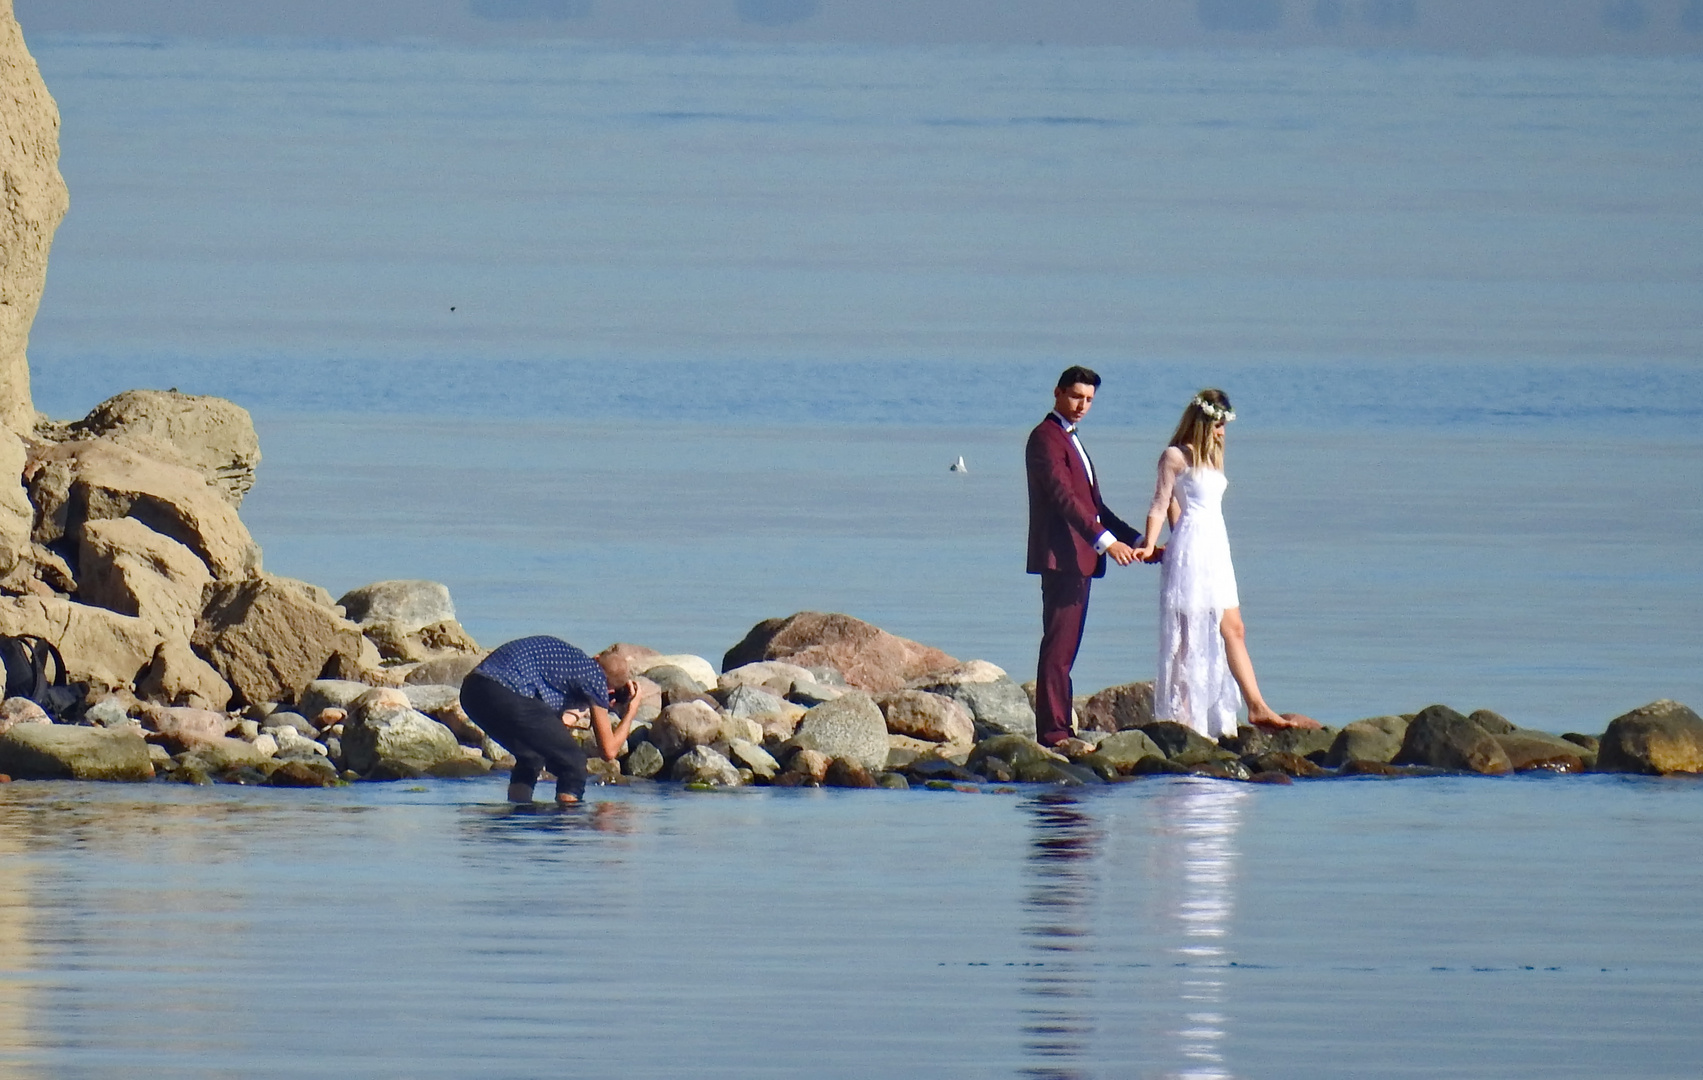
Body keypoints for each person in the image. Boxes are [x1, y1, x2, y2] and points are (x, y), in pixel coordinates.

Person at [1133, 389, 1304, 737]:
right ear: (1202, 422)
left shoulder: (1214, 456)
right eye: (1218, 425)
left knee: (1234, 627)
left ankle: (1256, 706)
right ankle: (1183, 713)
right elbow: (1161, 502)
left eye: (1224, 426)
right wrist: (1151, 544)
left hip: (1216, 545)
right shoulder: (1175, 456)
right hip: (1192, 547)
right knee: (1188, 630)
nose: (1222, 432)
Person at [1026, 366, 1146, 747]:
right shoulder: (1046, 438)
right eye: (1076, 396)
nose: (1082, 405)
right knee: (1058, 647)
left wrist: (1138, 539)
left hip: (1080, 558)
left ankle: (1061, 726)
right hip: (1062, 556)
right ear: (1057, 392)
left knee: (1067, 646)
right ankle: (1054, 732)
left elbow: (1095, 507)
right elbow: (1065, 500)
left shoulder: (1071, 439)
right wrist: (1105, 542)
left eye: (1090, 400)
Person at [459, 635, 641, 805]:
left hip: (472, 691)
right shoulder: (596, 678)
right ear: (609, 690)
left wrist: (580, 709)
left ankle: (518, 817)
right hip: (505, 691)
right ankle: (565, 828)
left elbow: (549, 730)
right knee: (574, 763)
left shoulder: (572, 661)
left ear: (597, 657)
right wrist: (631, 711)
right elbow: (608, 751)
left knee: (532, 754)